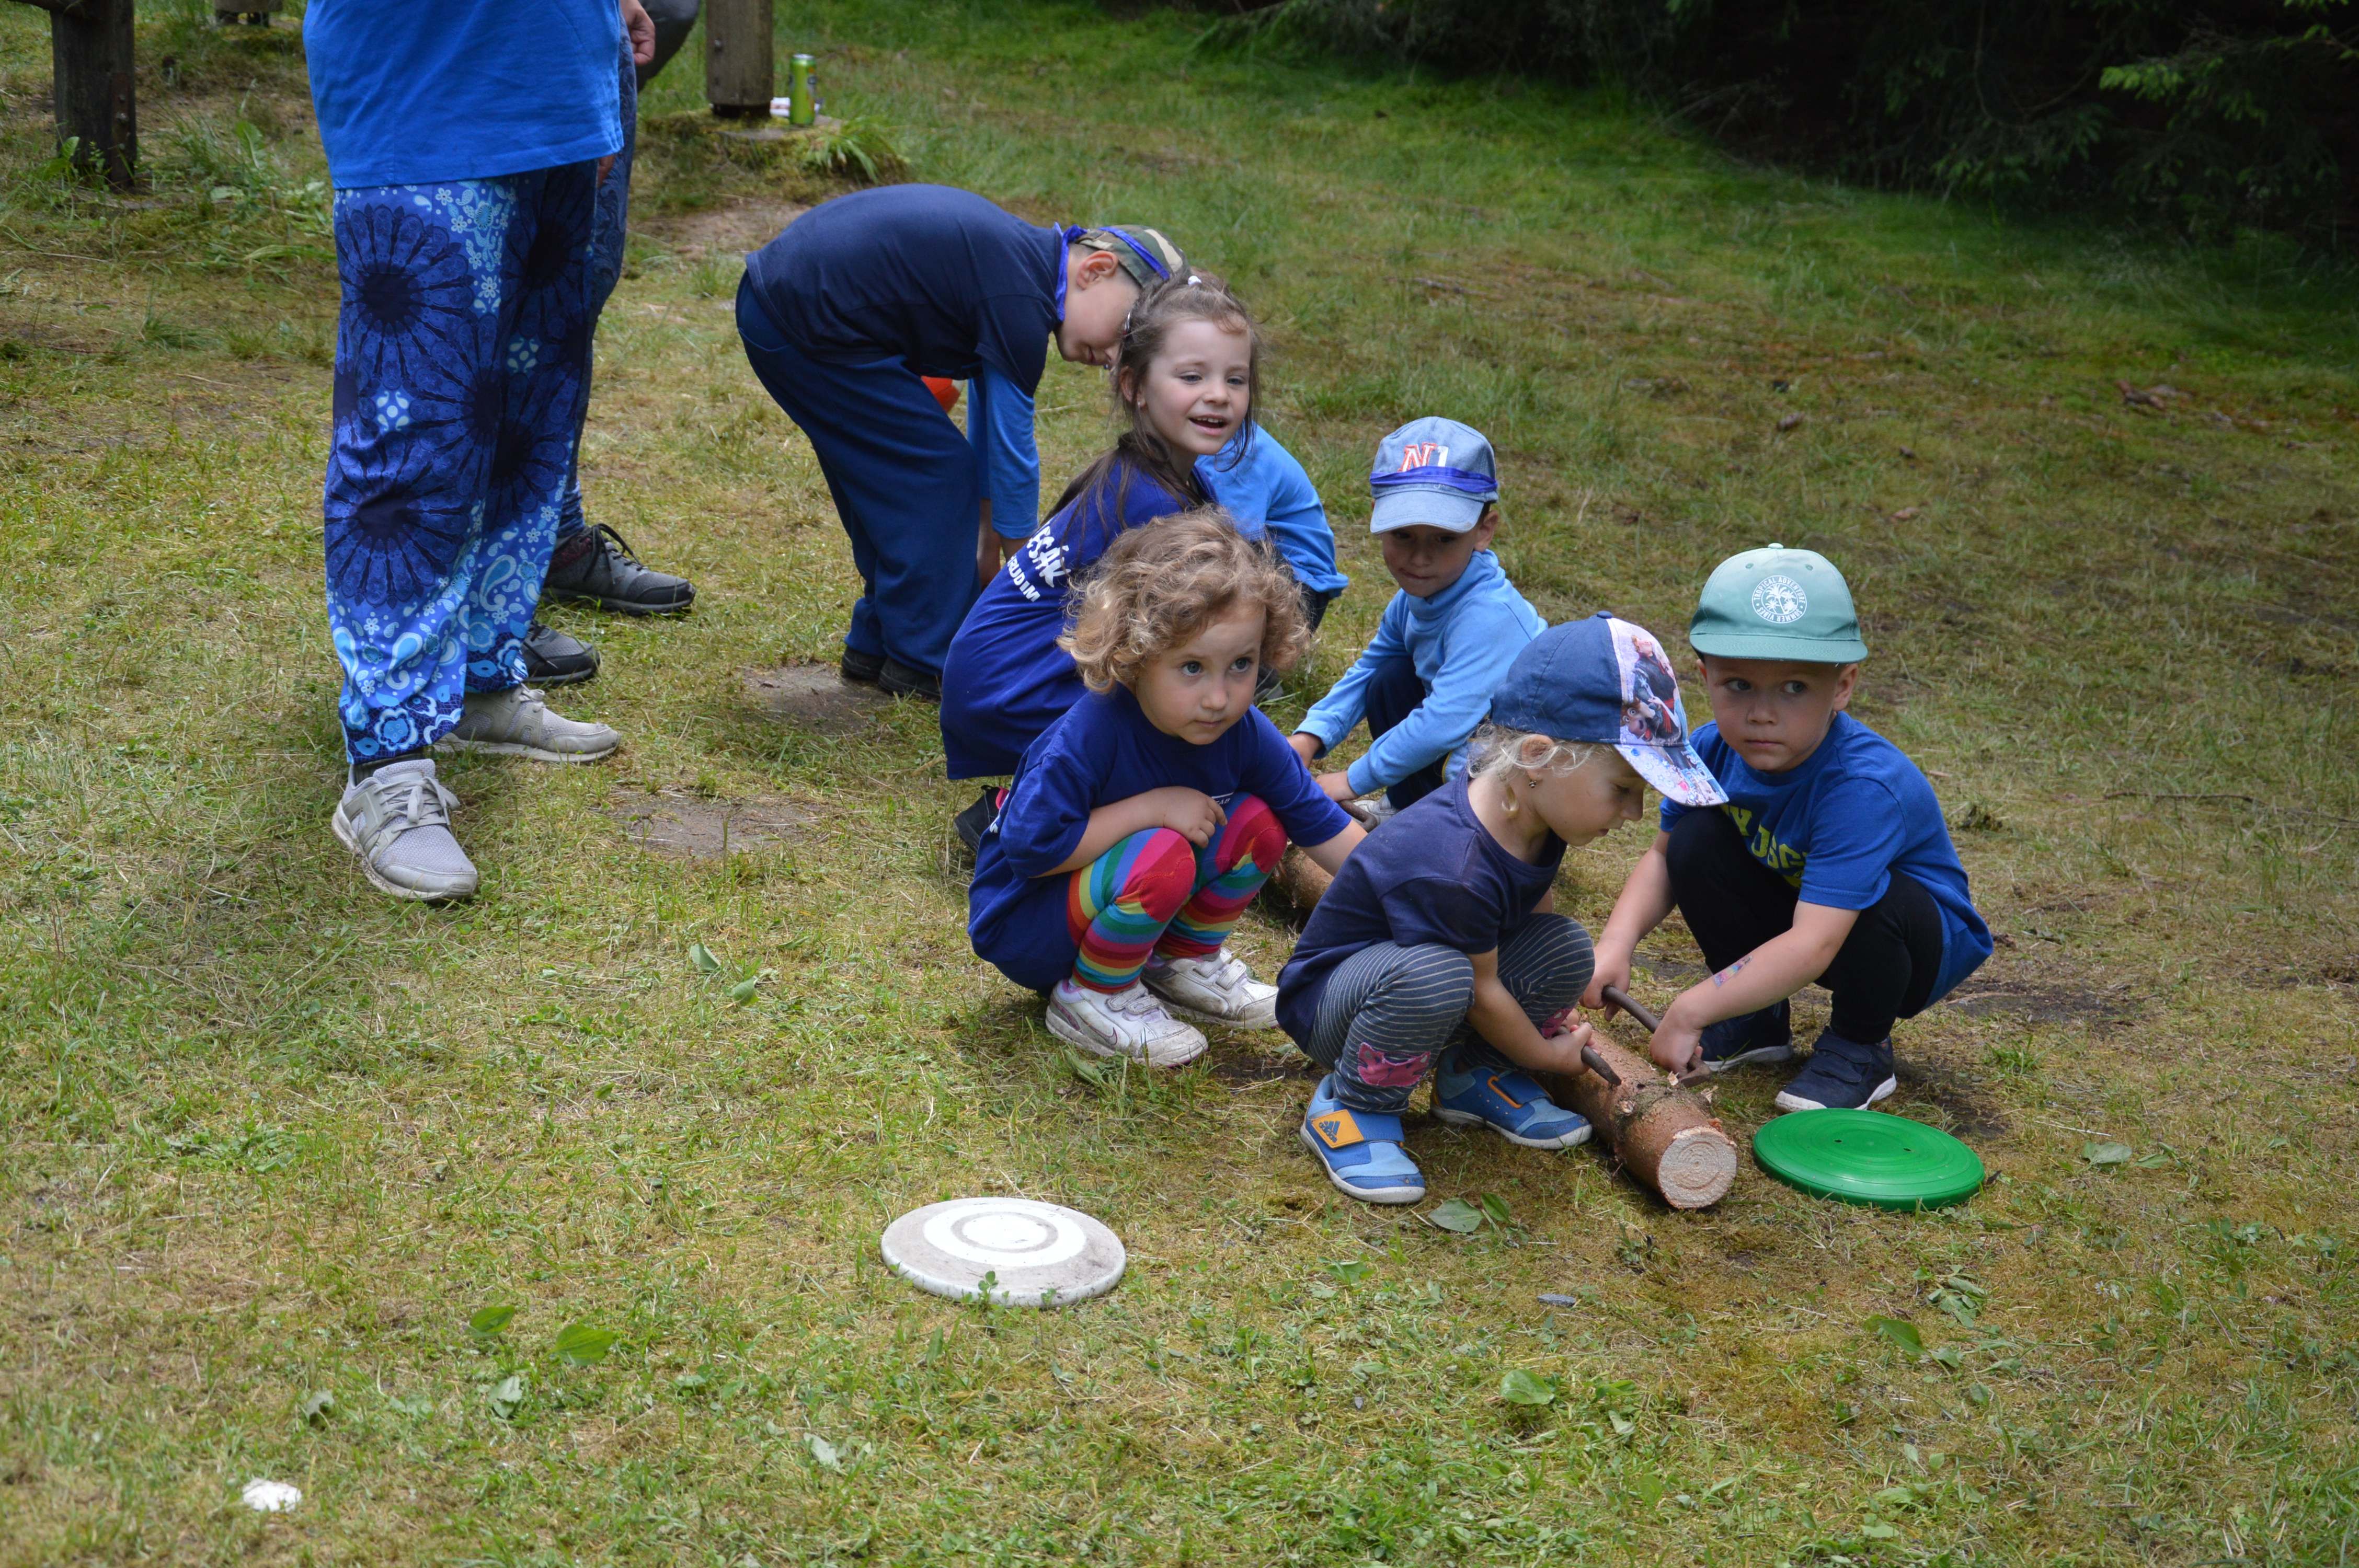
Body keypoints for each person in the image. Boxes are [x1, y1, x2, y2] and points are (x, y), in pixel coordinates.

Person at [308, 0, 654, 902]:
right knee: (413, 439)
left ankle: (478, 678)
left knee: (521, 426)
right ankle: (386, 757)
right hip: (423, 90)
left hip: (559, 92)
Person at [1276, 613, 1730, 1204]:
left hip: (1426, 988)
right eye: (1623, 788)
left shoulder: (1532, 810)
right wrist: (1545, 1055)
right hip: (1337, 1006)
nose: (1635, 814)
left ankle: (1472, 1076)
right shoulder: (1455, 863)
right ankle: (1353, 1106)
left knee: (1565, 946)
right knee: (1441, 972)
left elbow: (1529, 917)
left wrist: (1552, 1001)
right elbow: (1482, 990)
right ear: (1539, 757)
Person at [1586, 546, 1995, 1112]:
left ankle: (1860, 1046)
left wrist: (1691, 1009)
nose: (1762, 713)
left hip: (1902, 949)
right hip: (1806, 914)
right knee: (1695, 840)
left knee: (1880, 902)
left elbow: (1815, 942)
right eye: (1738, 685)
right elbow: (1662, 860)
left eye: (1795, 688)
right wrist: (1616, 944)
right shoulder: (1712, 749)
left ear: (1843, 686)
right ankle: (1755, 1020)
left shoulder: (1862, 786)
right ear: (1706, 678)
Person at [737, 186, 1188, 700]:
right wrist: (1025, 585)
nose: (1114, 359)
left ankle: (878, 640)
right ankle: (924, 658)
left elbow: (989, 429)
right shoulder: (1020, 302)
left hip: (791, 308)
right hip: (806, 317)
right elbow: (1013, 457)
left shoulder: (1019, 272)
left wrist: (986, 543)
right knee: (936, 476)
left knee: (896, 477)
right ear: (1096, 270)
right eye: (1126, 334)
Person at [969, 512, 1366, 1067]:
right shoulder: (1089, 735)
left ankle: (1178, 962)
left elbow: (1319, 823)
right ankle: (1093, 995)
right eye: (1192, 667)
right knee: (1164, 850)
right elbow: (1033, 851)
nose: (1219, 698)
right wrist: (1152, 809)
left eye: (1241, 664)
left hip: (1121, 904)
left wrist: (1413, 893)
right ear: (1135, 656)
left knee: (1263, 822)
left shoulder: (1243, 731)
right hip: (1030, 924)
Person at [942, 274, 1286, 841]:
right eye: (1192, 376)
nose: (1219, 395)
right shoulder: (1150, 502)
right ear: (1134, 386)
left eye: (1236, 378)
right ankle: (1015, 814)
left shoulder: (1161, 477)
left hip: (998, 680)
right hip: (1011, 692)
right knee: (1170, 706)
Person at [522, 9, 700, 689]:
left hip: (582, 36)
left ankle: (553, 542)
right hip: (508, 48)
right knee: (507, 319)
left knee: (577, 289)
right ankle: (480, 594)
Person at [1288, 418, 1544, 821]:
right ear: (1378, 518)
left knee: (1456, 736)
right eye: (1403, 535)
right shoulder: (1414, 600)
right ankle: (1408, 810)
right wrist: (1309, 737)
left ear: (1484, 531)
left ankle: (1440, 828)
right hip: (1467, 752)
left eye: (1444, 538)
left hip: (1516, 797)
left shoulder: (1490, 616)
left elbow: (1442, 723)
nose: (1420, 558)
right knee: (1388, 677)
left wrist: (1352, 780)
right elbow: (1367, 671)